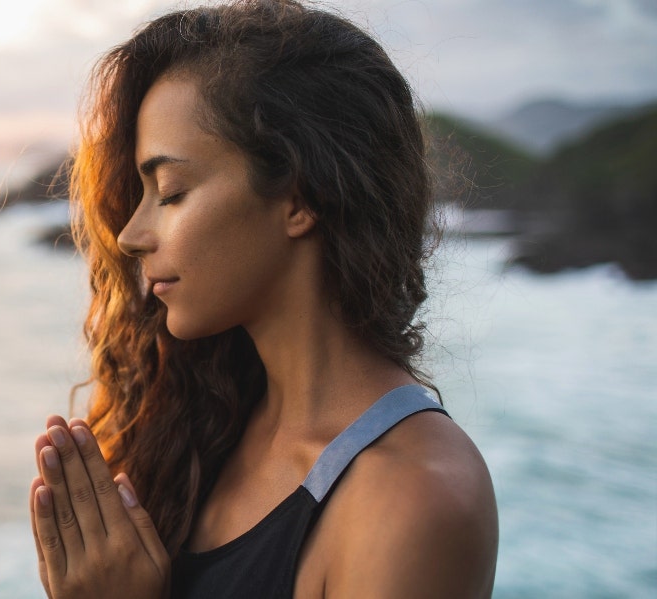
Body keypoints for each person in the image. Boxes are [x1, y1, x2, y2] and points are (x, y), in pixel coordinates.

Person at [27, 1, 499, 597]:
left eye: (170, 191)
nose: (130, 234)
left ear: (300, 198)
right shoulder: (207, 425)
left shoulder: (413, 496)